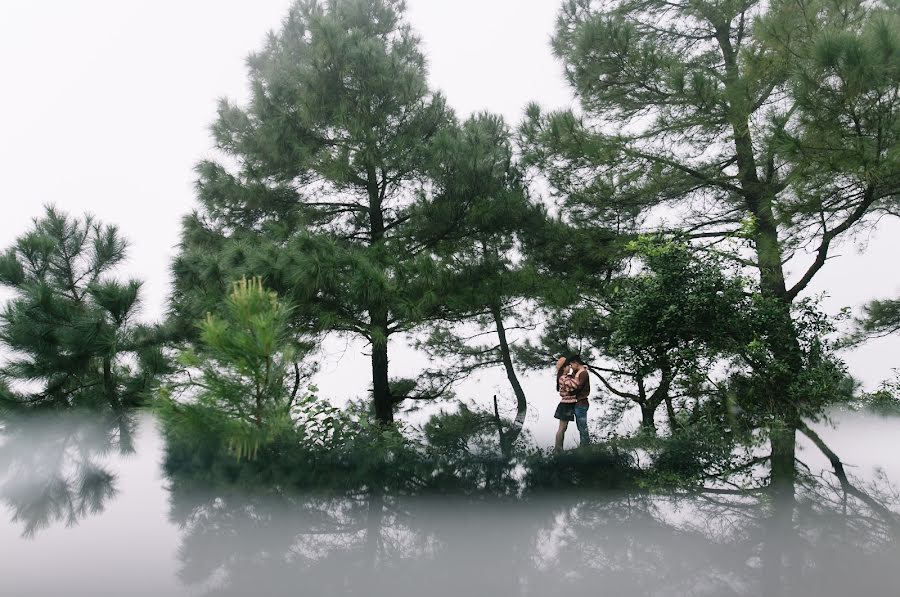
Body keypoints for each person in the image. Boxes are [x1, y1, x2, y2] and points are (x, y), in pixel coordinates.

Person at [554, 355, 591, 451]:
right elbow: (574, 385)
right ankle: (558, 449)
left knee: (575, 427)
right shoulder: (564, 378)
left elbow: (573, 384)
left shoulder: (570, 376)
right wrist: (578, 374)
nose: (570, 367)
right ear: (564, 368)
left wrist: (580, 371)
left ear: (576, 363)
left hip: (573, 404)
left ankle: (584, 447)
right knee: (562, 428)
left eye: (571, 365)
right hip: (566, 405)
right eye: (568, 366)